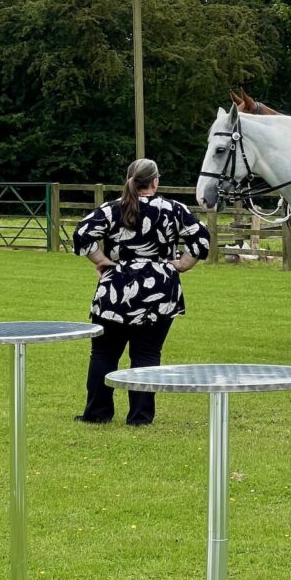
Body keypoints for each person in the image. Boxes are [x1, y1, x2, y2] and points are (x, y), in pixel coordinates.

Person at [72, 158, 210, 426]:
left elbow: (82, 235)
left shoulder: (111, 209)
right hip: (159, 290)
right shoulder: (174, 209)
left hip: (115, 291)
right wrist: (182, 264)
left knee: (103, 354)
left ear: (130, 179)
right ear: (155, 181)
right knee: (147, 354)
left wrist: (101, 259)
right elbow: (201, 239)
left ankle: (97, 414)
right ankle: (140, 417)